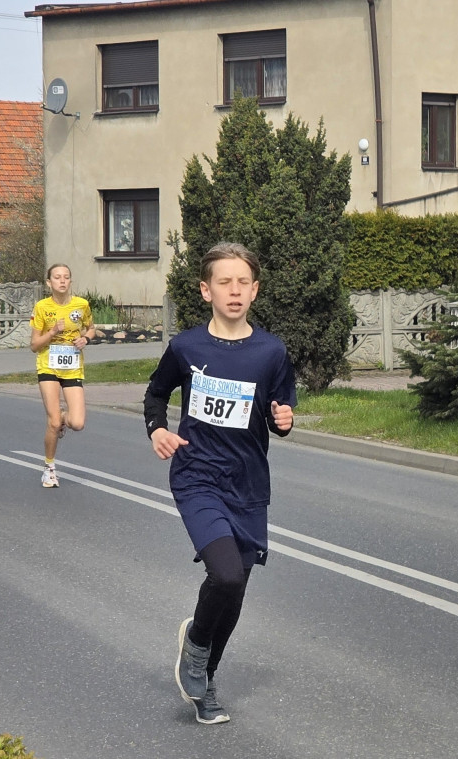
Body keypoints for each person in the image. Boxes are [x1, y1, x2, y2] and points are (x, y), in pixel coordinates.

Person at [143, 242, 296, 725]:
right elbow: (155, 393)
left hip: (248, 481)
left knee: (235, 589)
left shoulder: (271, 351)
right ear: (206, 289)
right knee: (225, 574)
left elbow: (277, 415)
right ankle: (196, 654)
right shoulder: (187, 347)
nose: (234, 290)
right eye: (224, 282)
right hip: (197, 476)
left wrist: (284, 420)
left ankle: (205, 679)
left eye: (243, 282)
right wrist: (159, 428)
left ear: (255, 290)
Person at [28, 263, 95, 488]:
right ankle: (49, 468)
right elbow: (34, 345)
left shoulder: (81, 305)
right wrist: (53, 331)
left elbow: (91, 328)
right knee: (53, 422)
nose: (62, 281)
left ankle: (64, 417)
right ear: (49, 283)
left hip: (73, 367)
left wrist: (85, 339)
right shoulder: (41, 307)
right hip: (48, 366)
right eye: (57, 277)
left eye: (66, 277)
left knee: (77, 423)